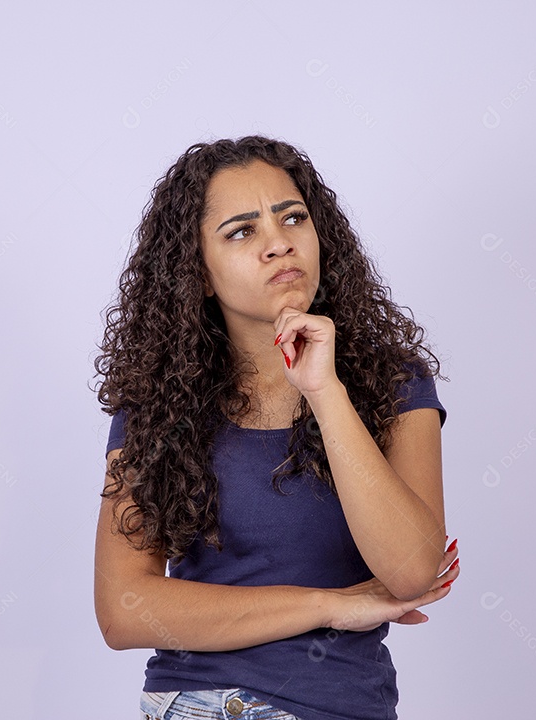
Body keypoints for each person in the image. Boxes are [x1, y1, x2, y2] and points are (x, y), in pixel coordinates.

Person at [92, 135, 459, 720]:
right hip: (203, 702)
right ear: (200, 274)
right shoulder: (157, 405)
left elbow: (415, 570)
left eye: (293, 218)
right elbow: (124, 608)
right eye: (242, 231)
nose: (279, 243)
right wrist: (330, 606)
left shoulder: (391, 382)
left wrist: (325, 390)